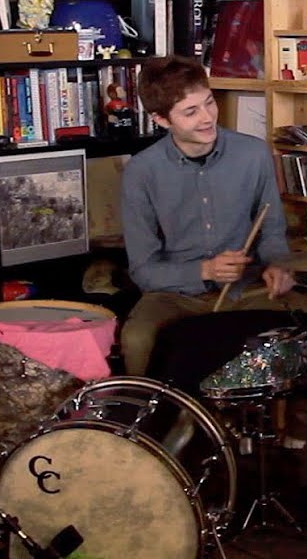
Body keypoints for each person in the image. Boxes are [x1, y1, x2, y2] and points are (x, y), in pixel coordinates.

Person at [120, 55, 297, 376]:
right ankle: (156, 422)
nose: (207, 118)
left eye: (209, 103)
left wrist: (277, 266)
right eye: (191, 111)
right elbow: (144, 270)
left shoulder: (254, 154)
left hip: (248, 290)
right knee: (136, 338)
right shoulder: (141, 172)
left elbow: (272, 228)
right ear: (161, 120)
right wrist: (205, 270)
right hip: (175, 295)